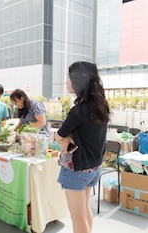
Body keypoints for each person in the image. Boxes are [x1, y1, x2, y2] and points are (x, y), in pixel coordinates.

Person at [54, 61, 110, 233]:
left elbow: (58, 135)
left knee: (77, 217)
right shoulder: (100, 105)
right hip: (93, 167)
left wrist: (65, 138)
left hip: (77, 169)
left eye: (68, 78)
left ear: (79, 80)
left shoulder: (79, 110)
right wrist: (68, 138)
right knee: (84, 211)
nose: (66, 82)